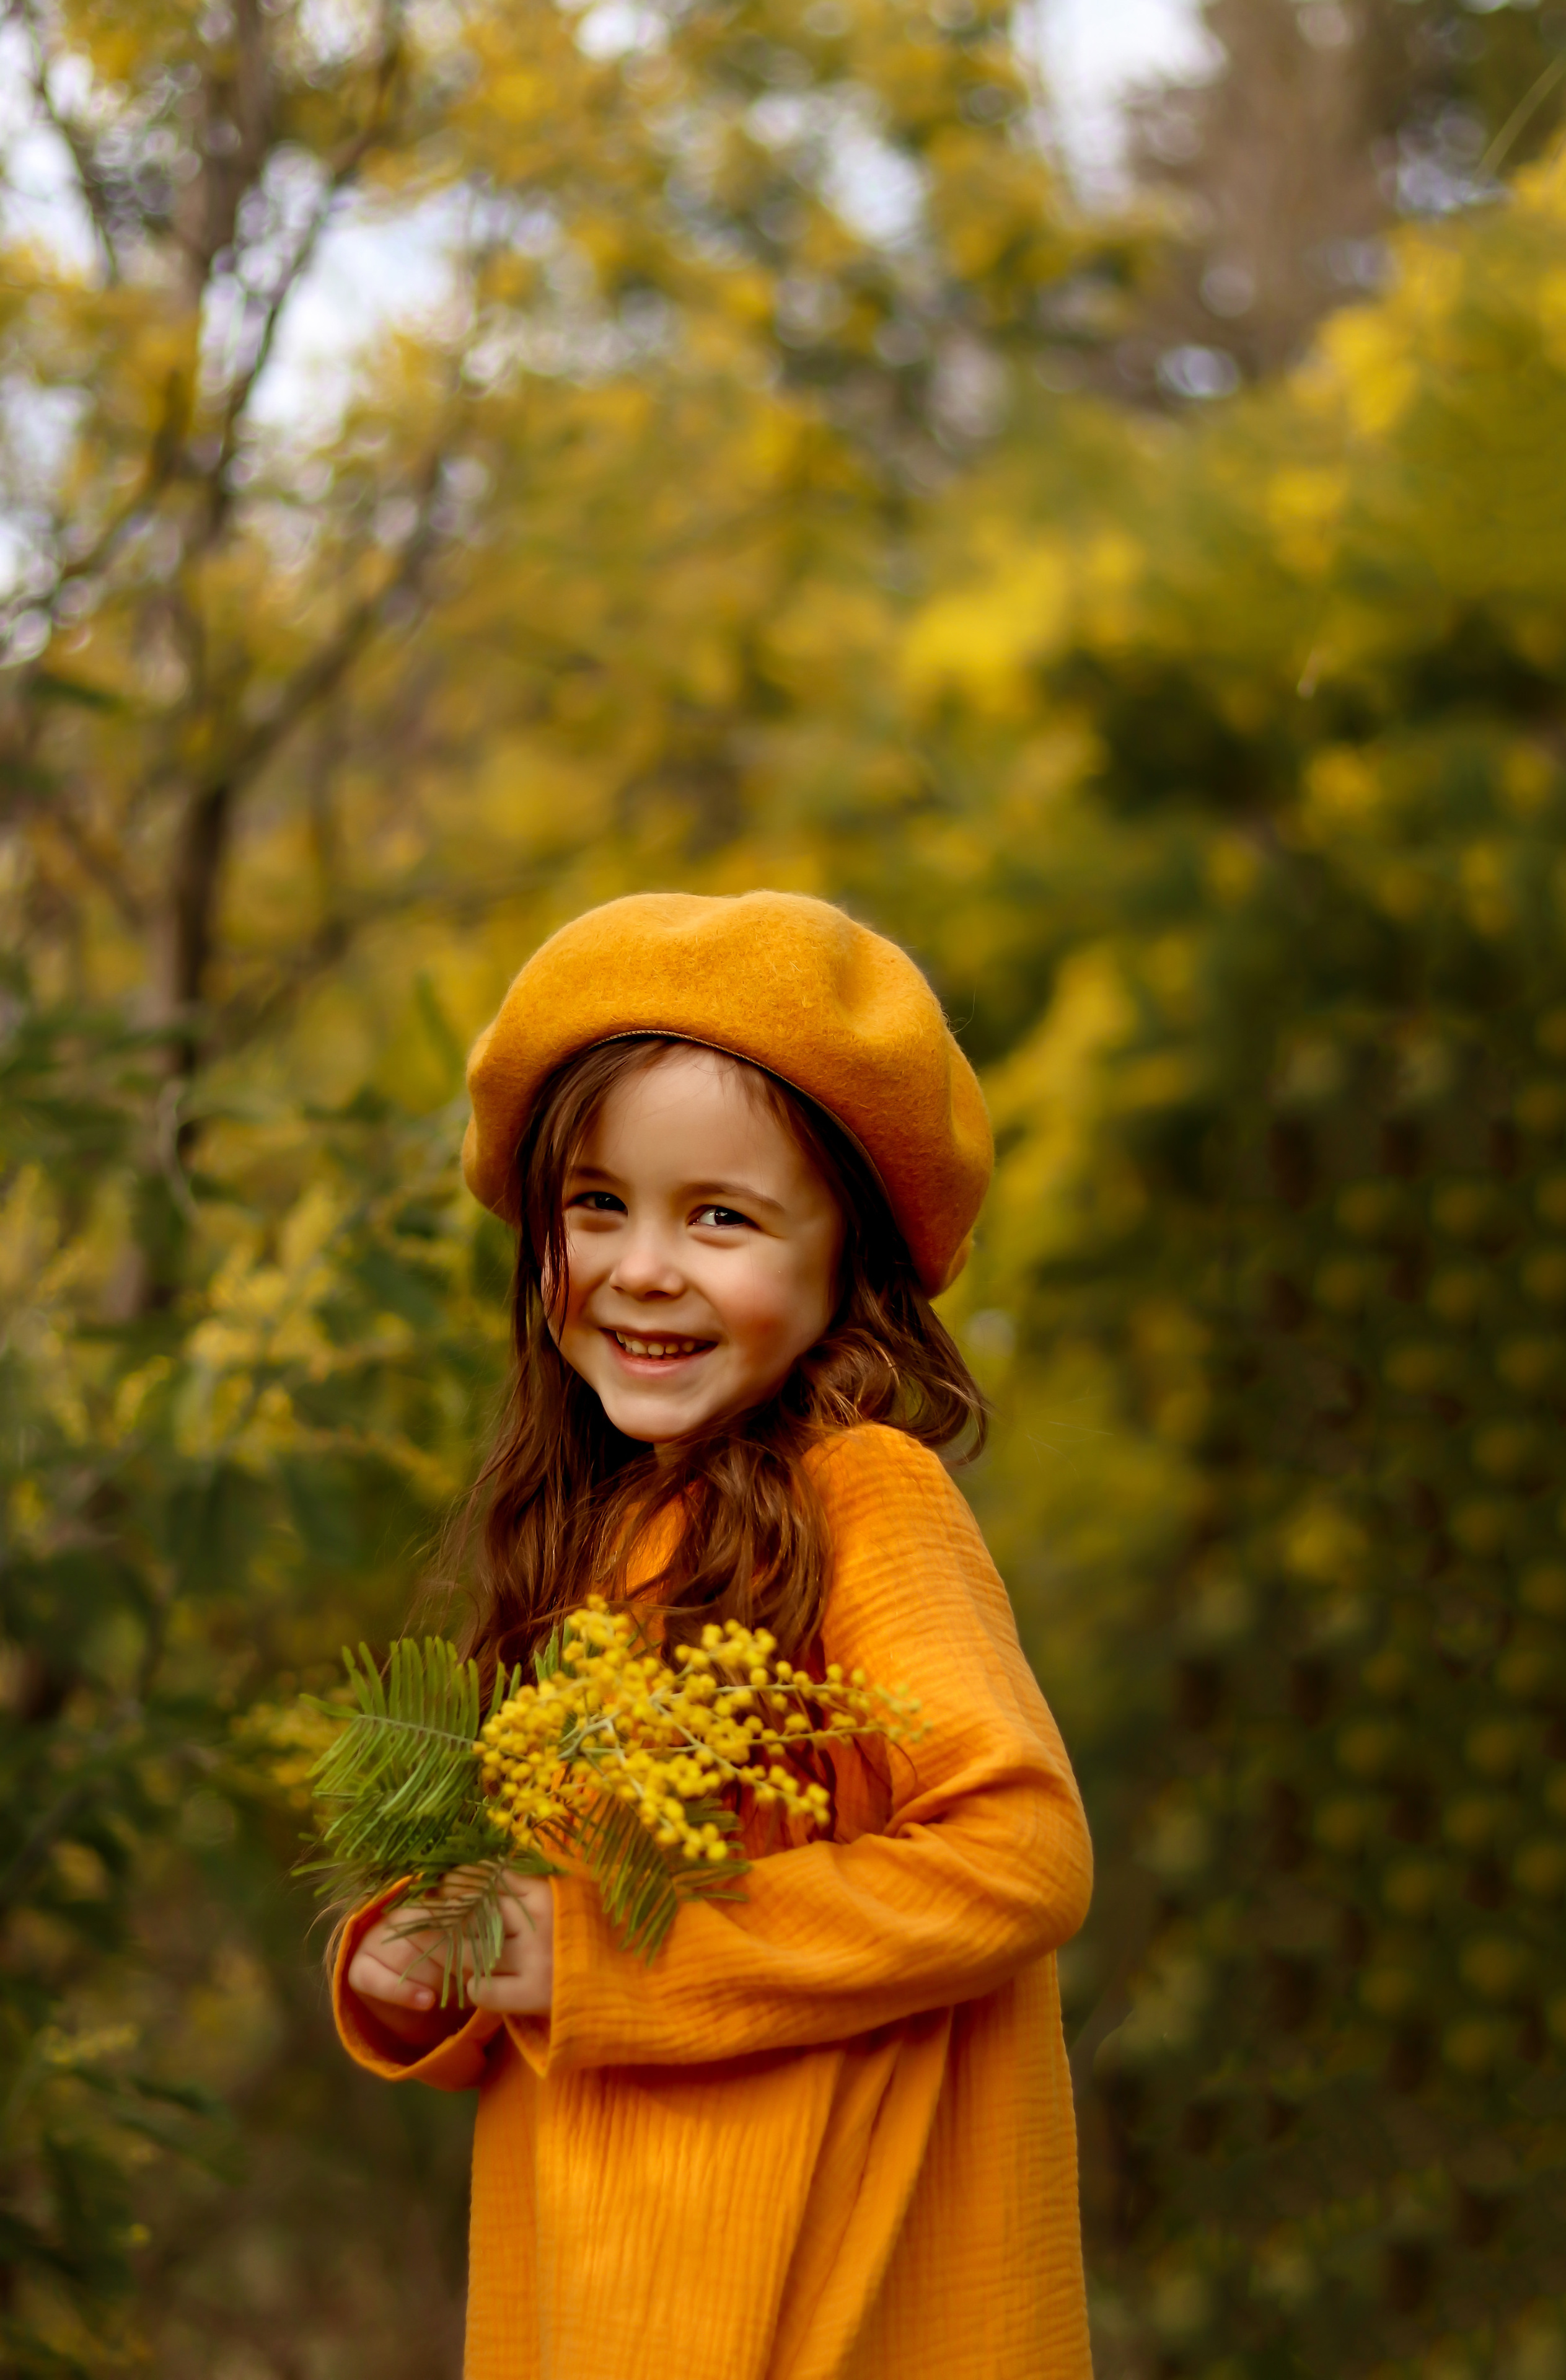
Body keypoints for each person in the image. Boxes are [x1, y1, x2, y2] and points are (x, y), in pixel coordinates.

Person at [333, 890, 1094, 2380]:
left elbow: (1018, 1851)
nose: (640, 1268)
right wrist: (425, 1964)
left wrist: (605, 1960)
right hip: (602, 2300)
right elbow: (550, 1927)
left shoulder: (858, 1492)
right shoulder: (592, 1531)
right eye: (596, 1205)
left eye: (721, 1217)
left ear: (845, 1262)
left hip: (820, 2295)